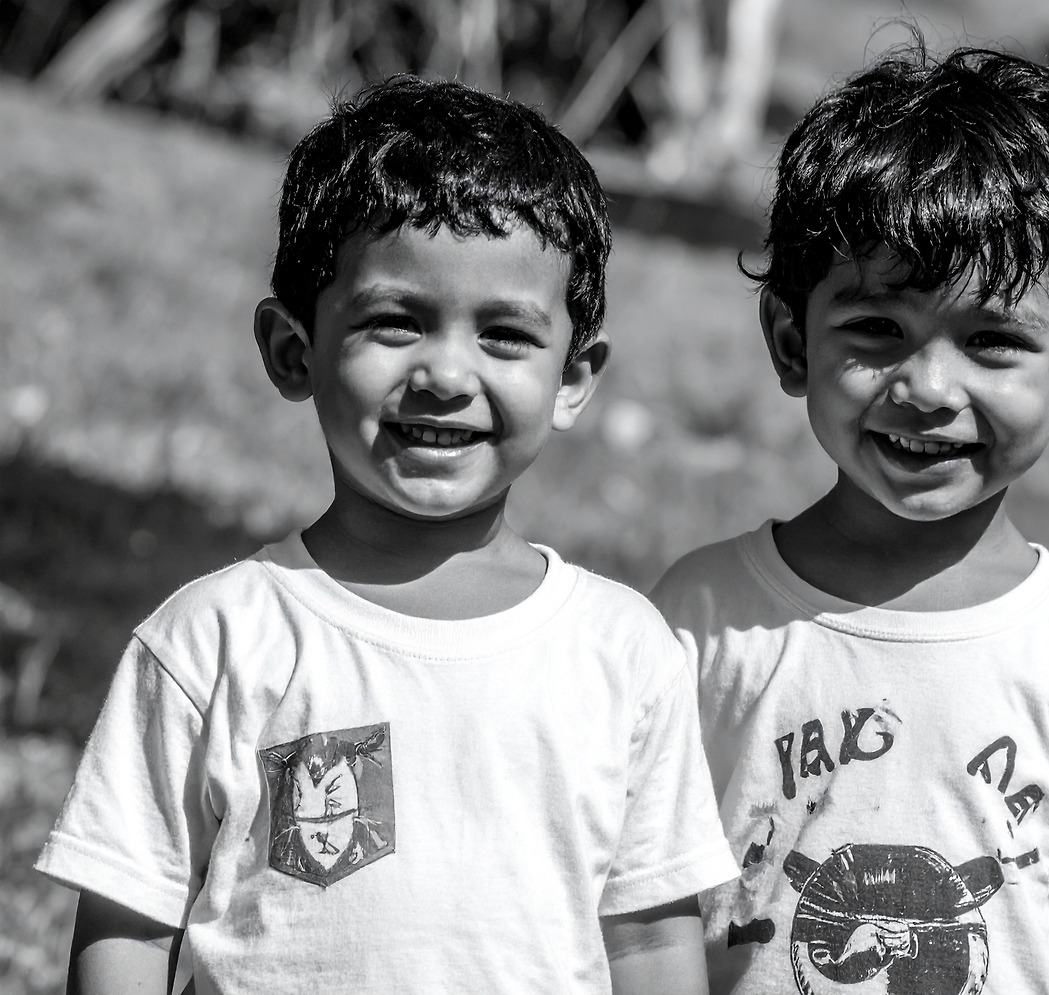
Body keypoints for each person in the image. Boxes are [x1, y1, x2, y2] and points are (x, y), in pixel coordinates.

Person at [37, 76, 738, 995]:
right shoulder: (215, 639)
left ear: (574, 376)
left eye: (504, 335)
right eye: (395, 322)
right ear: (294, 351)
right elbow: (128, 929)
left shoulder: (623, 653)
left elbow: (648, 940)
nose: (446, 373)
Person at [650, 45, 1049, 995]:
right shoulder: (700, 618)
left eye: (993, 341)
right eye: (878, 329)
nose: (928, 388)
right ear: (791, 340)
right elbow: (642, 910)